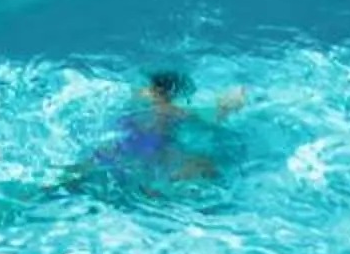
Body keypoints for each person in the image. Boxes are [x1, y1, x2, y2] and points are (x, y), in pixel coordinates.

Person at [90, 70, 246, 184]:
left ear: (157, 92)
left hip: (130, 151)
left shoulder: (140, 106)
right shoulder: (172, 112)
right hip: (145, 152)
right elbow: (215, 116)